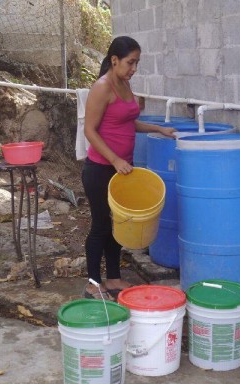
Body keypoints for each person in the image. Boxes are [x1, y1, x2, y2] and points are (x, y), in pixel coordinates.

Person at [81, 36, 177, 300]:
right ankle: (92, 282)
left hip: (122, 169)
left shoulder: (124, 85)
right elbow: (90, 130)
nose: (134, 68)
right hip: (100, 169)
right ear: (114, 60)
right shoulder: (102, 87)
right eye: (130, 62)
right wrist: (114, 159)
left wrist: (158, 128)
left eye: (137, 63)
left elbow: (127, 122)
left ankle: (112, 278)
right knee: (100, 225)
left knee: (116, 225)